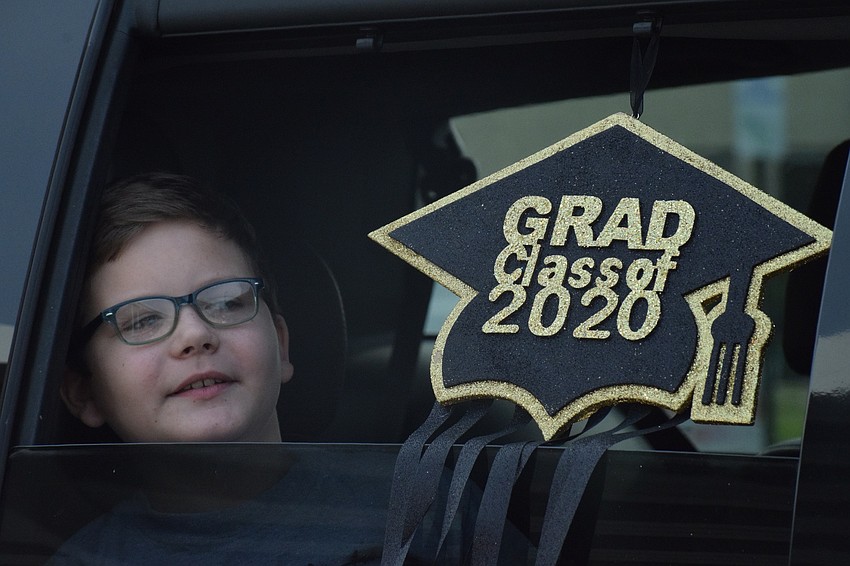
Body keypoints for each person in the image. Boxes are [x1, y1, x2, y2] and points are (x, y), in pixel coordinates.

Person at [52, 172, 393, 564]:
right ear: (85, 392)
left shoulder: (420, 514)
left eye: (227, 301)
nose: (195, 334)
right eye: (142, 321)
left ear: (281, 346)